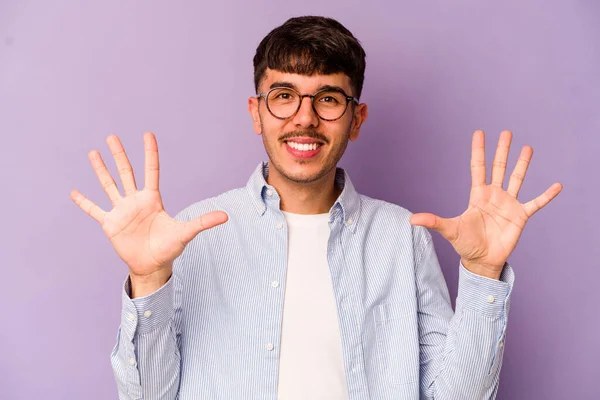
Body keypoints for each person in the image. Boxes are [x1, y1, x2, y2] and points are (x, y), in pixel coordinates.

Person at [70, 15, 562, 400]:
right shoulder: (191, 234)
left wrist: (482, 271)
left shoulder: (402, 237)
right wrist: (149, 279)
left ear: (356, 118)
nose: (304, 119)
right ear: (256, 112)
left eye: (328, 98)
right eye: (283, 96)